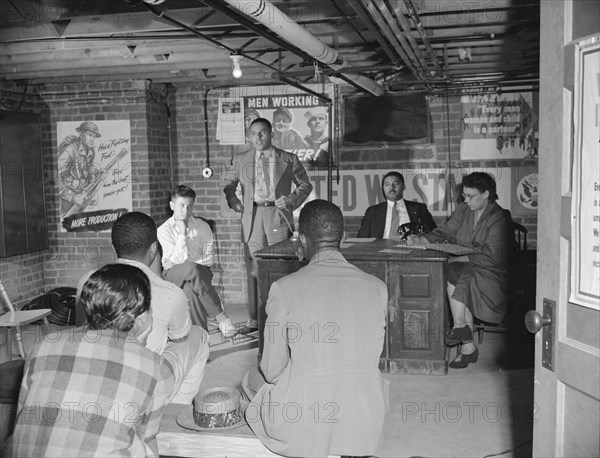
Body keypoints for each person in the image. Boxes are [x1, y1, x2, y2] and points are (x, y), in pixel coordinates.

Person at [243, 200, 388, 457]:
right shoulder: (377, 287)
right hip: (365, 416)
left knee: (249, 379)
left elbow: (272, 371)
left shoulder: (284, 288)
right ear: (343, 237)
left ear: (302, 241)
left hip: (305, 420)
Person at [9, 264, 175, 457]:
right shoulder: (156, 368)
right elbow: (147, 439)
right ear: (142, 319)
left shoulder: (43, 346)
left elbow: (22, 418)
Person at [407, 172, 514, 369]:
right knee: (455, 271)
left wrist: (464, 254)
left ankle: (463, 336)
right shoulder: (463, 211)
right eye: (464, 195)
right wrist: (424, 239)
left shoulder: (500, 217)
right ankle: (463, 335)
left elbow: (493, 254)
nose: (465, 200)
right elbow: (446, 231)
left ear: (486, 194)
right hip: (466, 267)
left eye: (470, 196)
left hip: (492, 271)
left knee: (454, 272)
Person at [223, 118, 313, 334]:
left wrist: (291, 199)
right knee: (254, 268)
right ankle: (255, 320)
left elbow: (305, 185)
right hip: (252, 218)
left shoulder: (288, 159)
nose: (258, 137)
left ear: (272, 135)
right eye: (254, 133)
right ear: (249, 136)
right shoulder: (241, 158)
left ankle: (285, 317)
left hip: (277, 216)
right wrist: (233, 199)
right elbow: (228, 184)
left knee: (281, 267)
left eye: (262, 133)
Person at [112, 211, 210, 403]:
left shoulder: (91, 283)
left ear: (113, 247)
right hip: (146, 386)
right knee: (199, 335)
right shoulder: (168, 292)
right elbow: (180, 337)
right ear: (154, 248)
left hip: (106, 377)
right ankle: (173, 410)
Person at [158, 185, 237, 338]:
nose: (186, 211)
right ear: (172, 205)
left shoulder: (203, 226)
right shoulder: (164, 230)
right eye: (181, 206)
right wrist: (182, 234)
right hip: (172, 275)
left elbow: (208, 259)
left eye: (189, 206)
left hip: (201, 274)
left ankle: (201, 345)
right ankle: (220, 317)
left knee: (190, 291)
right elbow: (173, 262)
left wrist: (184, 263)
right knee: (192, 269)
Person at [357, 171, 436, 239]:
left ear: (403, 187)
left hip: (409, 248)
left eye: (396, 184)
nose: (391, 187)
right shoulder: (373, 212)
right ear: (383, 188)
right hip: (380, 251)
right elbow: (362, 238)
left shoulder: (419, 209)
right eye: (387, 184)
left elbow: (433, 233)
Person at [57, 121, 102, 216]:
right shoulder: (70, 150)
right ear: (81, 134)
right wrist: (73, 197)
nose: (92, 139)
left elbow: (88, 173)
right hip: (67, 202)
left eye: (94, 136)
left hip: (82, 197)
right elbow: (55, 179)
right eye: (89, 135)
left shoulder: (90, 152)